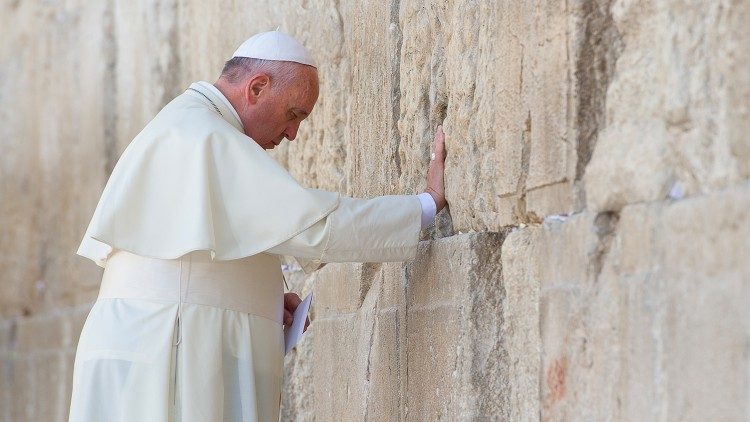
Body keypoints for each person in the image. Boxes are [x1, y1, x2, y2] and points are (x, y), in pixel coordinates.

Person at [68, 30, 447, 422]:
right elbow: (316, 227)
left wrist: (256, 292)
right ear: (258, 88)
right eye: (293, 115)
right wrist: (424, 205)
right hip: (171, 348)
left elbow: (184, 262)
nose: (292, 134)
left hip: (151, 342)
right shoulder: (207, 136)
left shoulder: (187, 124)